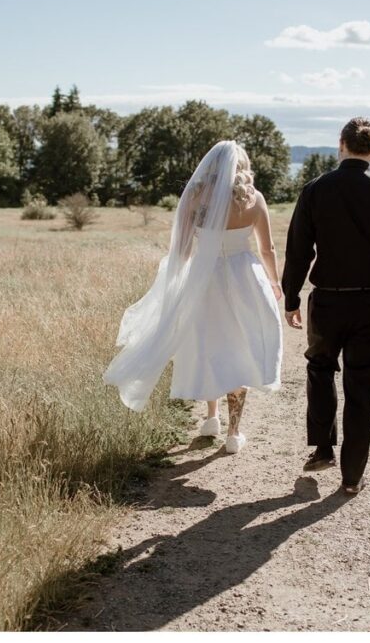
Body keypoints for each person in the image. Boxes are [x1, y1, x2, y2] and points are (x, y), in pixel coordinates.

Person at [104, 141, 283, 454]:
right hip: (245, 278)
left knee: (209, 345)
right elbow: (267, 249)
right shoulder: (253, 199)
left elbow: (183, 249)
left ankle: (211, 418)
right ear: (242, 165)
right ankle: (233, 432)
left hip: (206, 278)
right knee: (240, 349)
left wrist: (180, 277)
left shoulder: (196, 197)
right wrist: (274, 281)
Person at [281, 117, 370, 494]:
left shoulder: (315, 190)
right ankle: (352, 476)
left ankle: (324, 447)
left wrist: (291, 297)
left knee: (320, 369)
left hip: (327, 301)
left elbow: (298, 251)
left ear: (341, 144)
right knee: (362, 385)